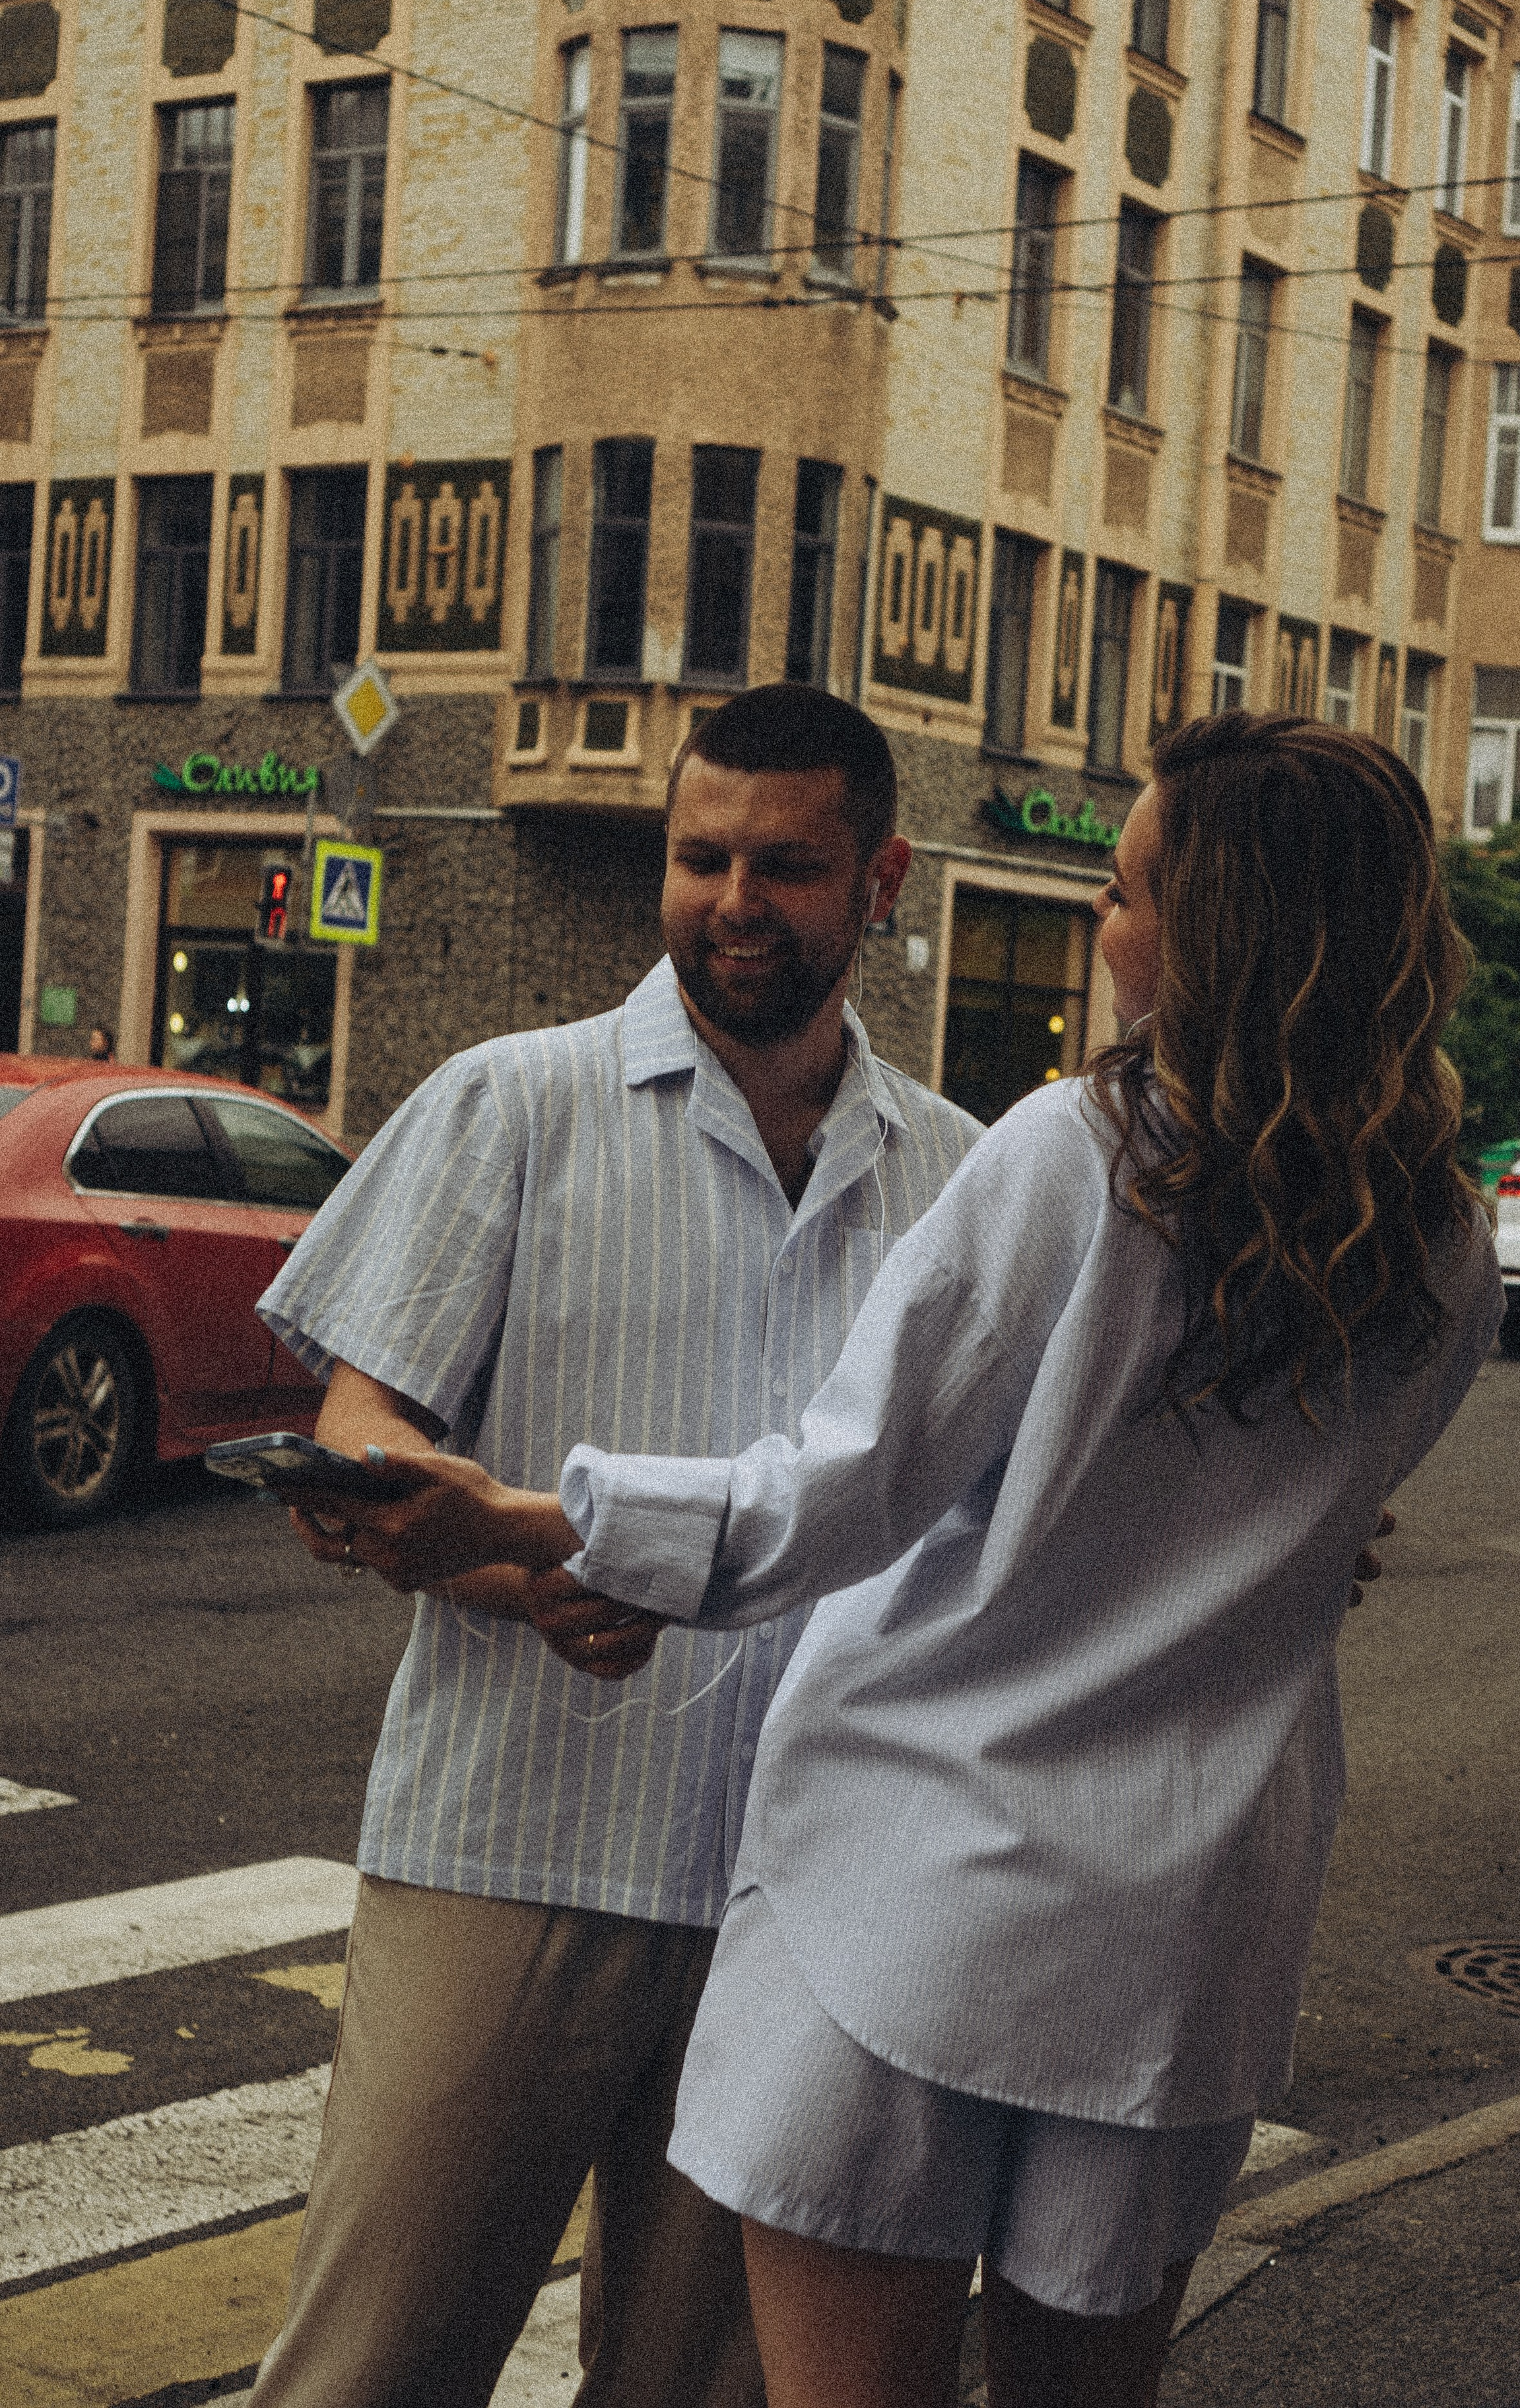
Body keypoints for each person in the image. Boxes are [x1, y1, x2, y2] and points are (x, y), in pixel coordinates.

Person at [329, 714, 1503, 2408]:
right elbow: (1302, 1536)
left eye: (1120, 894)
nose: (1102, 929)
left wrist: (531, 1528)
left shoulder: (1069, 1154)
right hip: (1181, 1932)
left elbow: (842, 1492)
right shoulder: (1447, 1249)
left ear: (1215, 929)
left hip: (914, 1910)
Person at [247, 686, 983, 2408]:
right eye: (700, 855)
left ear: (878, 880)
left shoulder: (957, 1177)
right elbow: (361, 1435)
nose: (734, 900)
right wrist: (512, 1571)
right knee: (371, 2370)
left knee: (699, 2393)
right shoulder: (517, 1106)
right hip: (512, 1857)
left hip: (804, 1913)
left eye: (785, 866)